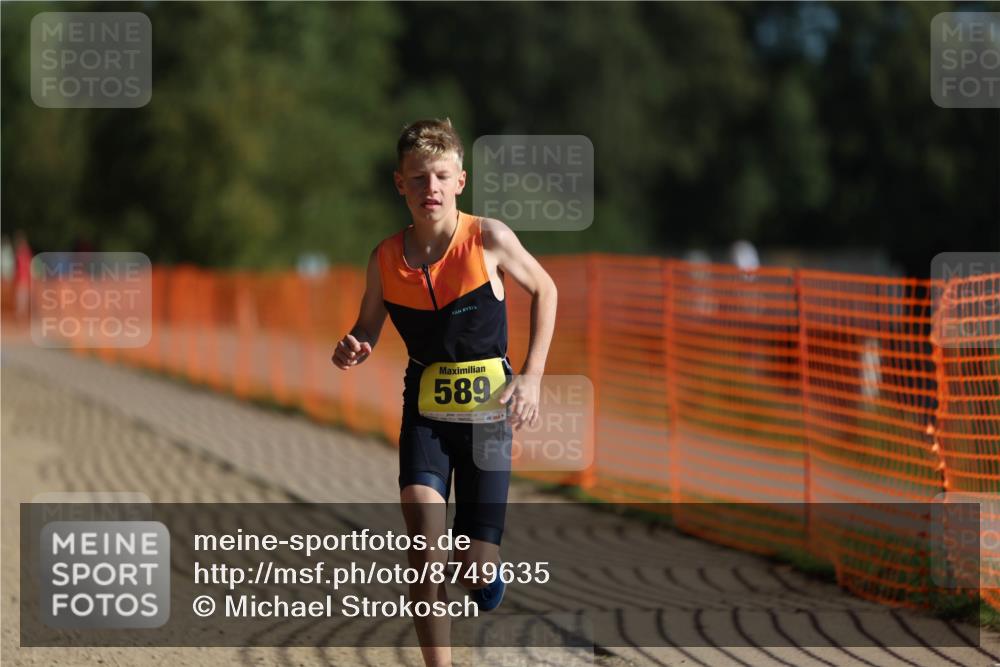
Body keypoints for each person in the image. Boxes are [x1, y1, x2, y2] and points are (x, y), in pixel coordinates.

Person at [332, 118, 557, 667]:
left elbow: (546, 289)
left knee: (472, 567)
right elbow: (367, 326)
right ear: (399, 185)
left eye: (439, 176)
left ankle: (483, 573)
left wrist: (530, 377)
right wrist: (355, 344)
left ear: (460, 180)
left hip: (488, 420)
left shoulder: (489, 239)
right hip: (425, 417)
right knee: (424, 554)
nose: (428, 187)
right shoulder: (385, 259)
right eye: (417, 178)